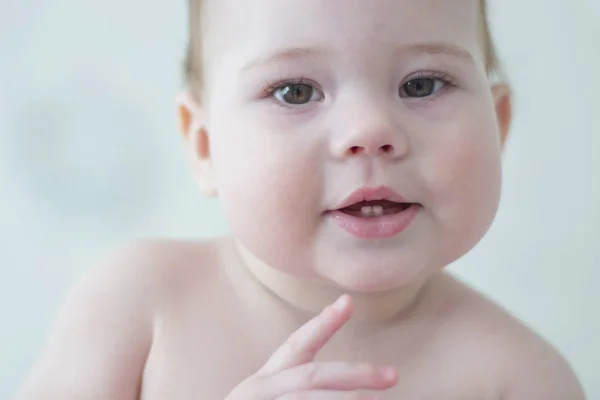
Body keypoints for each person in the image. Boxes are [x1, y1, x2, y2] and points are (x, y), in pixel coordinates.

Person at [16, 0, 586, 398]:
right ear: (205, 144)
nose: (368, 128)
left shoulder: (519, 380)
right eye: (295, 91)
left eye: (422, 84)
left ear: (499, 124)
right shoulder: (139, 305)